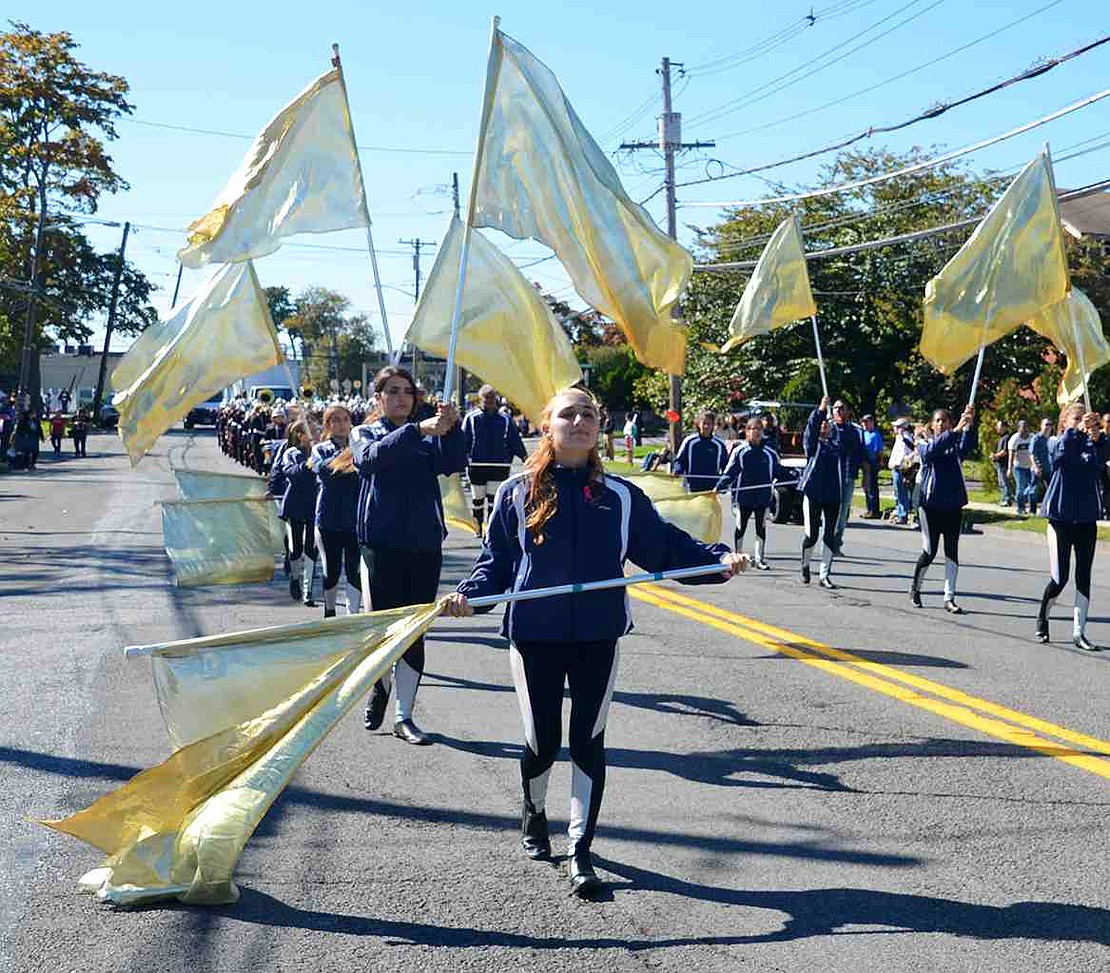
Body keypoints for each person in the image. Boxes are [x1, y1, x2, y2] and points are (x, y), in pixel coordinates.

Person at [442, 387, 746, 898]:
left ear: (598, 426)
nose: (580, 420)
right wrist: (469, 597)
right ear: (548, 425)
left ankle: (580, 848)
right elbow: (496, 565)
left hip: (598, 635)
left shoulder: (621, 496)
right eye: (569, 413)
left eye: (588, 414)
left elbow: (665, 547)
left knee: (587, 741)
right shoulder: (517, 493)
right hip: (533, 633)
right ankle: (534, 809)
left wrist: (716, 561)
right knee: (542, 741)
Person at [350, 365, 466, 746]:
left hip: (423, 543)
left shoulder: (427, 432)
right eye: (393, 391)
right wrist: (418, 429)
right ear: (379, 398)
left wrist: (451, 428)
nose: (402, 397)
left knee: (415, 629)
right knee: (385, 628)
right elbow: (369, 459)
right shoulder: (364, 432)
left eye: (408, 392)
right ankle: (380, 688)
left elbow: (450, 463)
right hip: (380, 543)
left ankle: (405, 715)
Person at [1036, 404, 1107, 651]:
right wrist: (1076, 430)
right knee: (1060, 577)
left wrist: (1098, 438)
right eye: (1076, 418)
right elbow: (1058, 459)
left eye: (1086, 419)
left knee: (1083, 577)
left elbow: (1099, 466)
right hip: (1060, 519)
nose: (1082, 422)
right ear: (1064, 421)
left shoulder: (1091, 443)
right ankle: (1043, 617)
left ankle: (1080, 632)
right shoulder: (1055, 441)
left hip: (1086, 519)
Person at [910, 405, 975, 613]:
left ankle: (949, 597)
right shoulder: (923, 442)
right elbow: (930, 453)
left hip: (952, 505)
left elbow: (966, 445)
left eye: (945, 421)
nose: (941, 424)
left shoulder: (954, 444)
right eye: (938, 421)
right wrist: (956, 431)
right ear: (932, 424)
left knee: (952, 552)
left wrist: (968, 425)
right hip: (930, 506)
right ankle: (916, 588)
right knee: (929, 551)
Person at [715, 416, 796, 569]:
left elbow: (779, 472)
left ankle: (759, 559)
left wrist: (796, 480)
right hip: (743, 497)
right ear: (747, 432)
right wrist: (719, 486)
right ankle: (738, 556)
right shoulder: (740, 451)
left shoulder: (770, 453)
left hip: (762, 497)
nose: (756, 432)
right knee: (741, 526)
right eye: (753, 429)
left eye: (759, 429)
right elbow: (730, 472)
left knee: (761, 527)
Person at [309, 405, 363, 619]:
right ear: (328, 425)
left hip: (355, 519)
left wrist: (345, 464)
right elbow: (324, 470)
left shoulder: (361, 445)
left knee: (355, 570)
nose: (341, 424)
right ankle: (329, 611)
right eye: (336, 420)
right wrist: (348, 463)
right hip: (328, 519)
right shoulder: (319, 449)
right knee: (330, 570)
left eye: (345, 419)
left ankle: (352, 616)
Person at [463, 384, 528, 532]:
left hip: (500, 466)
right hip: (477, 465)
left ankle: (491, 529)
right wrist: (458, 461)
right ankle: (478, 525)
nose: (490, 402)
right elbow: (464, 442)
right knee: (477, 500)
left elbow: (514, 441)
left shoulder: (505, 419)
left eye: (492, 399)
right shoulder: (471, 418)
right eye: (487, 399)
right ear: (480, 400)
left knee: (494, 500)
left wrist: (525, 457)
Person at [798, 396, 842, 589]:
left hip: (833, 495)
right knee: (812, 534)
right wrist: (821, 410)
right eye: (822, 424)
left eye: (827, 424)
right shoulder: (812, 444)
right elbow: (811, 428)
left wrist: (836, 416)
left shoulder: (837, 445)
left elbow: (848, 436)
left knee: (830, 535)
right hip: (813, 493)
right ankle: (806, 565)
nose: (824, 426)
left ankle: (825, 574)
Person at [278, 420, 319, 607]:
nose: (315, 434)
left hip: (315, 505)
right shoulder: (291, 453)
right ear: (300, 435)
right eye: (310, 432)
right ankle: (295, 578)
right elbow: (291, 472)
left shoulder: (320, 450)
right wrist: (308, 464)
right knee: (295, 548)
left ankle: (307, 591)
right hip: (295, 503)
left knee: (311, 548)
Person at [830, 399, 865, 554]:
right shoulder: (828, 428)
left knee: (843, 511)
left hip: (847, 476)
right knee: (830, 510)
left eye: (841, 408)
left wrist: (866, 476)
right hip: (830, 476)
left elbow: (860, 454)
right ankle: (827, 541)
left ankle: (836, 543)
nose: (837, 410)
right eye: (835, 408)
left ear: (848, 411)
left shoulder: (854, 431)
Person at [673, 411, 728, 492]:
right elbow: (680, 460)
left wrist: (723, 484)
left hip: (712, 490)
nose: (706, 426)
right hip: (692, 487)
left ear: (713, 425)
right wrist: (677, 470)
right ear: (698, 424)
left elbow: (726, 466)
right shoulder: (689, 441)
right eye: (704, 423)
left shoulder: (719, 444)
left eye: (709, 423)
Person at [887, 418, 918, 525]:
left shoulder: (906, 438)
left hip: (901, 469)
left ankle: (903, 514)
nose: (894, 428)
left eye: (896, 426)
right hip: (895, 468)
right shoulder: (899, 438)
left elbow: (908, 453)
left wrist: (900, 464)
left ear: (902, 428)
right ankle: (900, 512)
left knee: (902, 492)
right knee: (898, 492)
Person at [1008, 419, 1035, 515]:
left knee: (1032, 488)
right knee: (1020, 488)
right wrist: (1009, 469)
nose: (1025, 429)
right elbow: (1011, 454)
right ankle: (1021, 508)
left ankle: (1032, 509)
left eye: (1026, 427)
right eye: (1023, 427)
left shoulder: (1032, 437)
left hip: (1030, 467)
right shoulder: (1015, 439)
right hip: (1019, 467)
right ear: (1019, 428)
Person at [859, 414, 883, 519]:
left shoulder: (875, 435)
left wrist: (880, 462)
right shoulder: (864, 434)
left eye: (866, 422)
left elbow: (879, 451)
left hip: (872, 462)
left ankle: (874, 510)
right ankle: (869, 509)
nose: (864, 424)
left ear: (872, 422)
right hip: (864, 463)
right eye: (863, 422)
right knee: (866, 487)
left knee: (872, 487)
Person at [1030, 417, 1053, 506]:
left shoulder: (1051, 439)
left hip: (1048, 468)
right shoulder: (1036, 438)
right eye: (1046, 424)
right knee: (1034, 489)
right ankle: (1032, 509)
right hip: (1037, 467)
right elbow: (1032, 454)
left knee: (1051, 487)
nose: (1048, 427)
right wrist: (1035, 467)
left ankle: (1048, 507)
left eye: (1050, 425)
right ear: (1041, 426)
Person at [991, 420, 1013, 506]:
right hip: (999, 463)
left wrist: (996, 455)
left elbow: (1005, 451)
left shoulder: (1007, 437)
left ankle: (1007, 499)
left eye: (999, 426)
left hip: (1004, 463)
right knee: (1001, 483)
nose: (997, 428)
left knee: (1004, 482)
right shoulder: (1002, 437)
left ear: (1004, 427)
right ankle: (1004, 498)